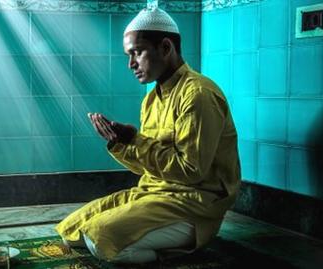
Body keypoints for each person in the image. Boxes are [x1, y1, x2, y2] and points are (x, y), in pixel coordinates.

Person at [55, 6, 241, 264]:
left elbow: (191, 171)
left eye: (137, 53)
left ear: (166, 48)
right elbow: (150, 168)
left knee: (99, 241)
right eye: (128, 55)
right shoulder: (152, 100)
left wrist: (137, 141)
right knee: (72, 231)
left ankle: (183, 251)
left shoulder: (198, 95)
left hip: (194, 206)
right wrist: (120, 143)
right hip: (155, 196)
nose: (131, 64)